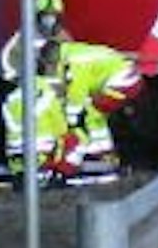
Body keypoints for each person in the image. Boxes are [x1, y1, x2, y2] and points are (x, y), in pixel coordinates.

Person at [54, 40, 144, 168]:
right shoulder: (74, 52)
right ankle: (104, 152)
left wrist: (70, 120)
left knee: (92, 110)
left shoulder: (74, 63)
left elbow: (77, 95)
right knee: (94, 108)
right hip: (128, 77)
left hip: (123, 81)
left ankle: (101, 152)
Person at [0, 0, 71, 81]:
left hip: (56, 87)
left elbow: (73, 61)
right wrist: (12, 73)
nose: (49, 20)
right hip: (31, 85)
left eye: (53, 15)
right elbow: (6, 56)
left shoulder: (64, 38)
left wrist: (68, 77)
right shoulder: (26, 34)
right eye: (45, 15)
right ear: (37, 17)